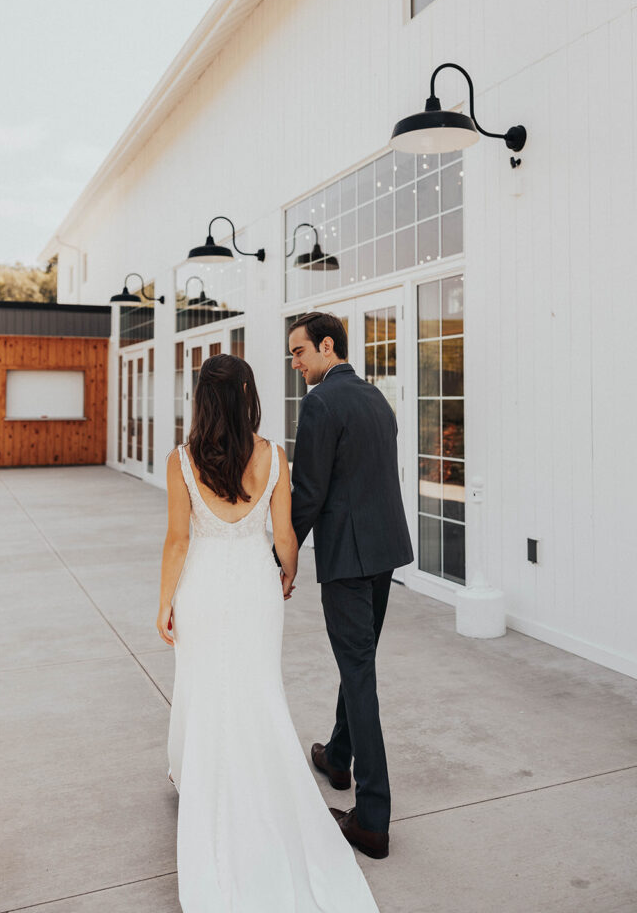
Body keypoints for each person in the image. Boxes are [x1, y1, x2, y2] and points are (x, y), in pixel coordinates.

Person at [156, 354, 380, 913]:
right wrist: (286, 575)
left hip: (202, 586)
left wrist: (164, 601)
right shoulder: (274, 456)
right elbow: (284, 537)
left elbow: (178, 542)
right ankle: (261, 787)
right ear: (250, 396)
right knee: (258, 685)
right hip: (257, 589)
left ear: (202, 400)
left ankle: (196, 776)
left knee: (203, 683)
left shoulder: (181, 461)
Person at [288, 312, 413, 861]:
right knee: (357, 662)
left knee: (359, 672)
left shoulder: (320, 403)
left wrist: (281, 553)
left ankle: (373, 818)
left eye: (298, 352)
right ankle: (337, 757)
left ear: (327, 346)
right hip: (384, 551)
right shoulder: (377, 399)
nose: (295, 364)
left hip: (346, 557)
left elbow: (308, 491)